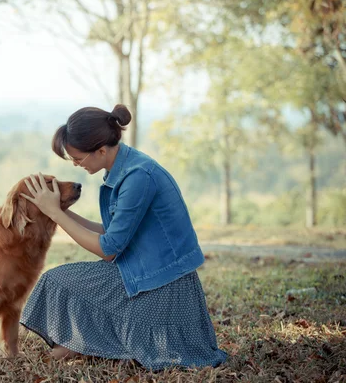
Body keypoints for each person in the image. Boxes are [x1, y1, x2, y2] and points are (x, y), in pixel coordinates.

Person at [19, 104, 227, 370]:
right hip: (143, 268)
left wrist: (56, 215)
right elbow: (112, 231)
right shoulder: (125, 168)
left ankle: (86, 342)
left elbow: (109, 249)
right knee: (67, 280)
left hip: (162, 282)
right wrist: (57, 210)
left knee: (57, 280)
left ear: (101, 151)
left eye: (78, 158)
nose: (75, 164)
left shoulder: (137, 177)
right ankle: (79, 341)